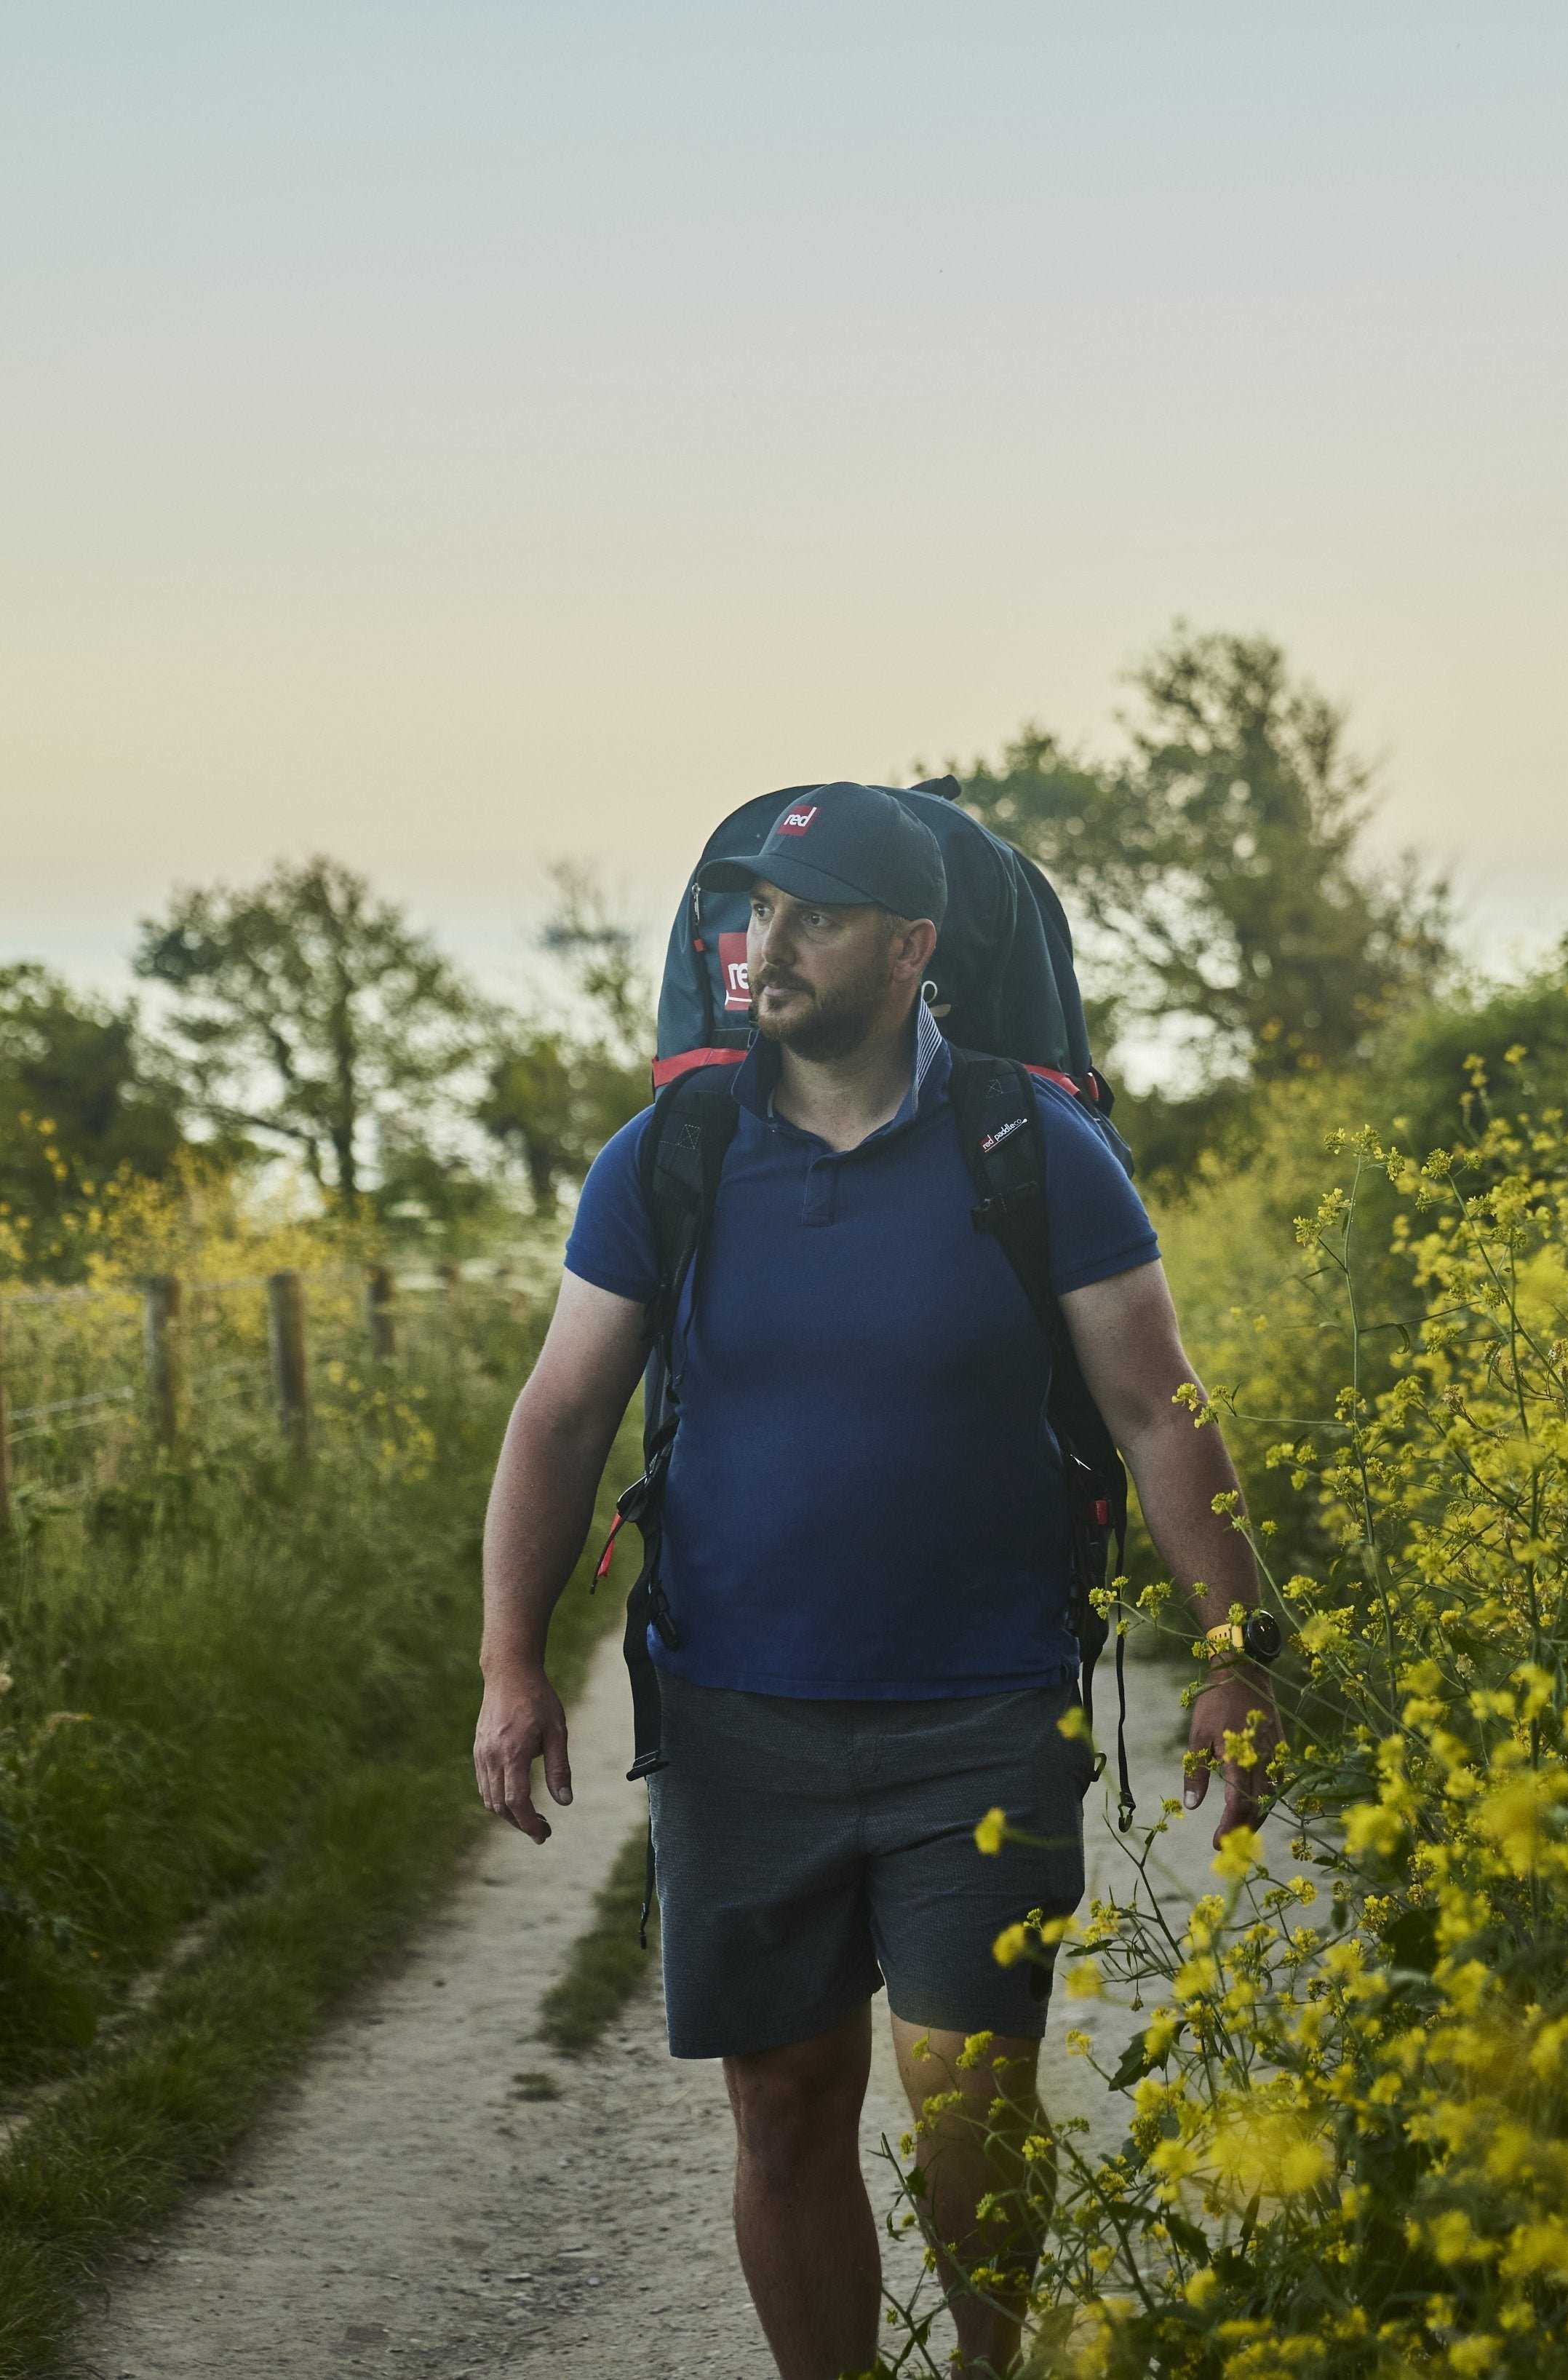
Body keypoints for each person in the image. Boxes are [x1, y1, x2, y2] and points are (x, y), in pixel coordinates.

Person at [472, 782, 1278, 2380]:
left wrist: (1243, 1654)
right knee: (781, 2105)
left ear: (911, 947)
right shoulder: (671, 1158)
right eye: (754, 910)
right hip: (735, 1716)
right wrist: (509, 1661)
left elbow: (1152, 1403)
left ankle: (987, 2369)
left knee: (969, 2092)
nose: (765, 945)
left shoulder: (1029, 1146)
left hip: (979, 1708)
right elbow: (559, 1415)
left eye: (814, 915)